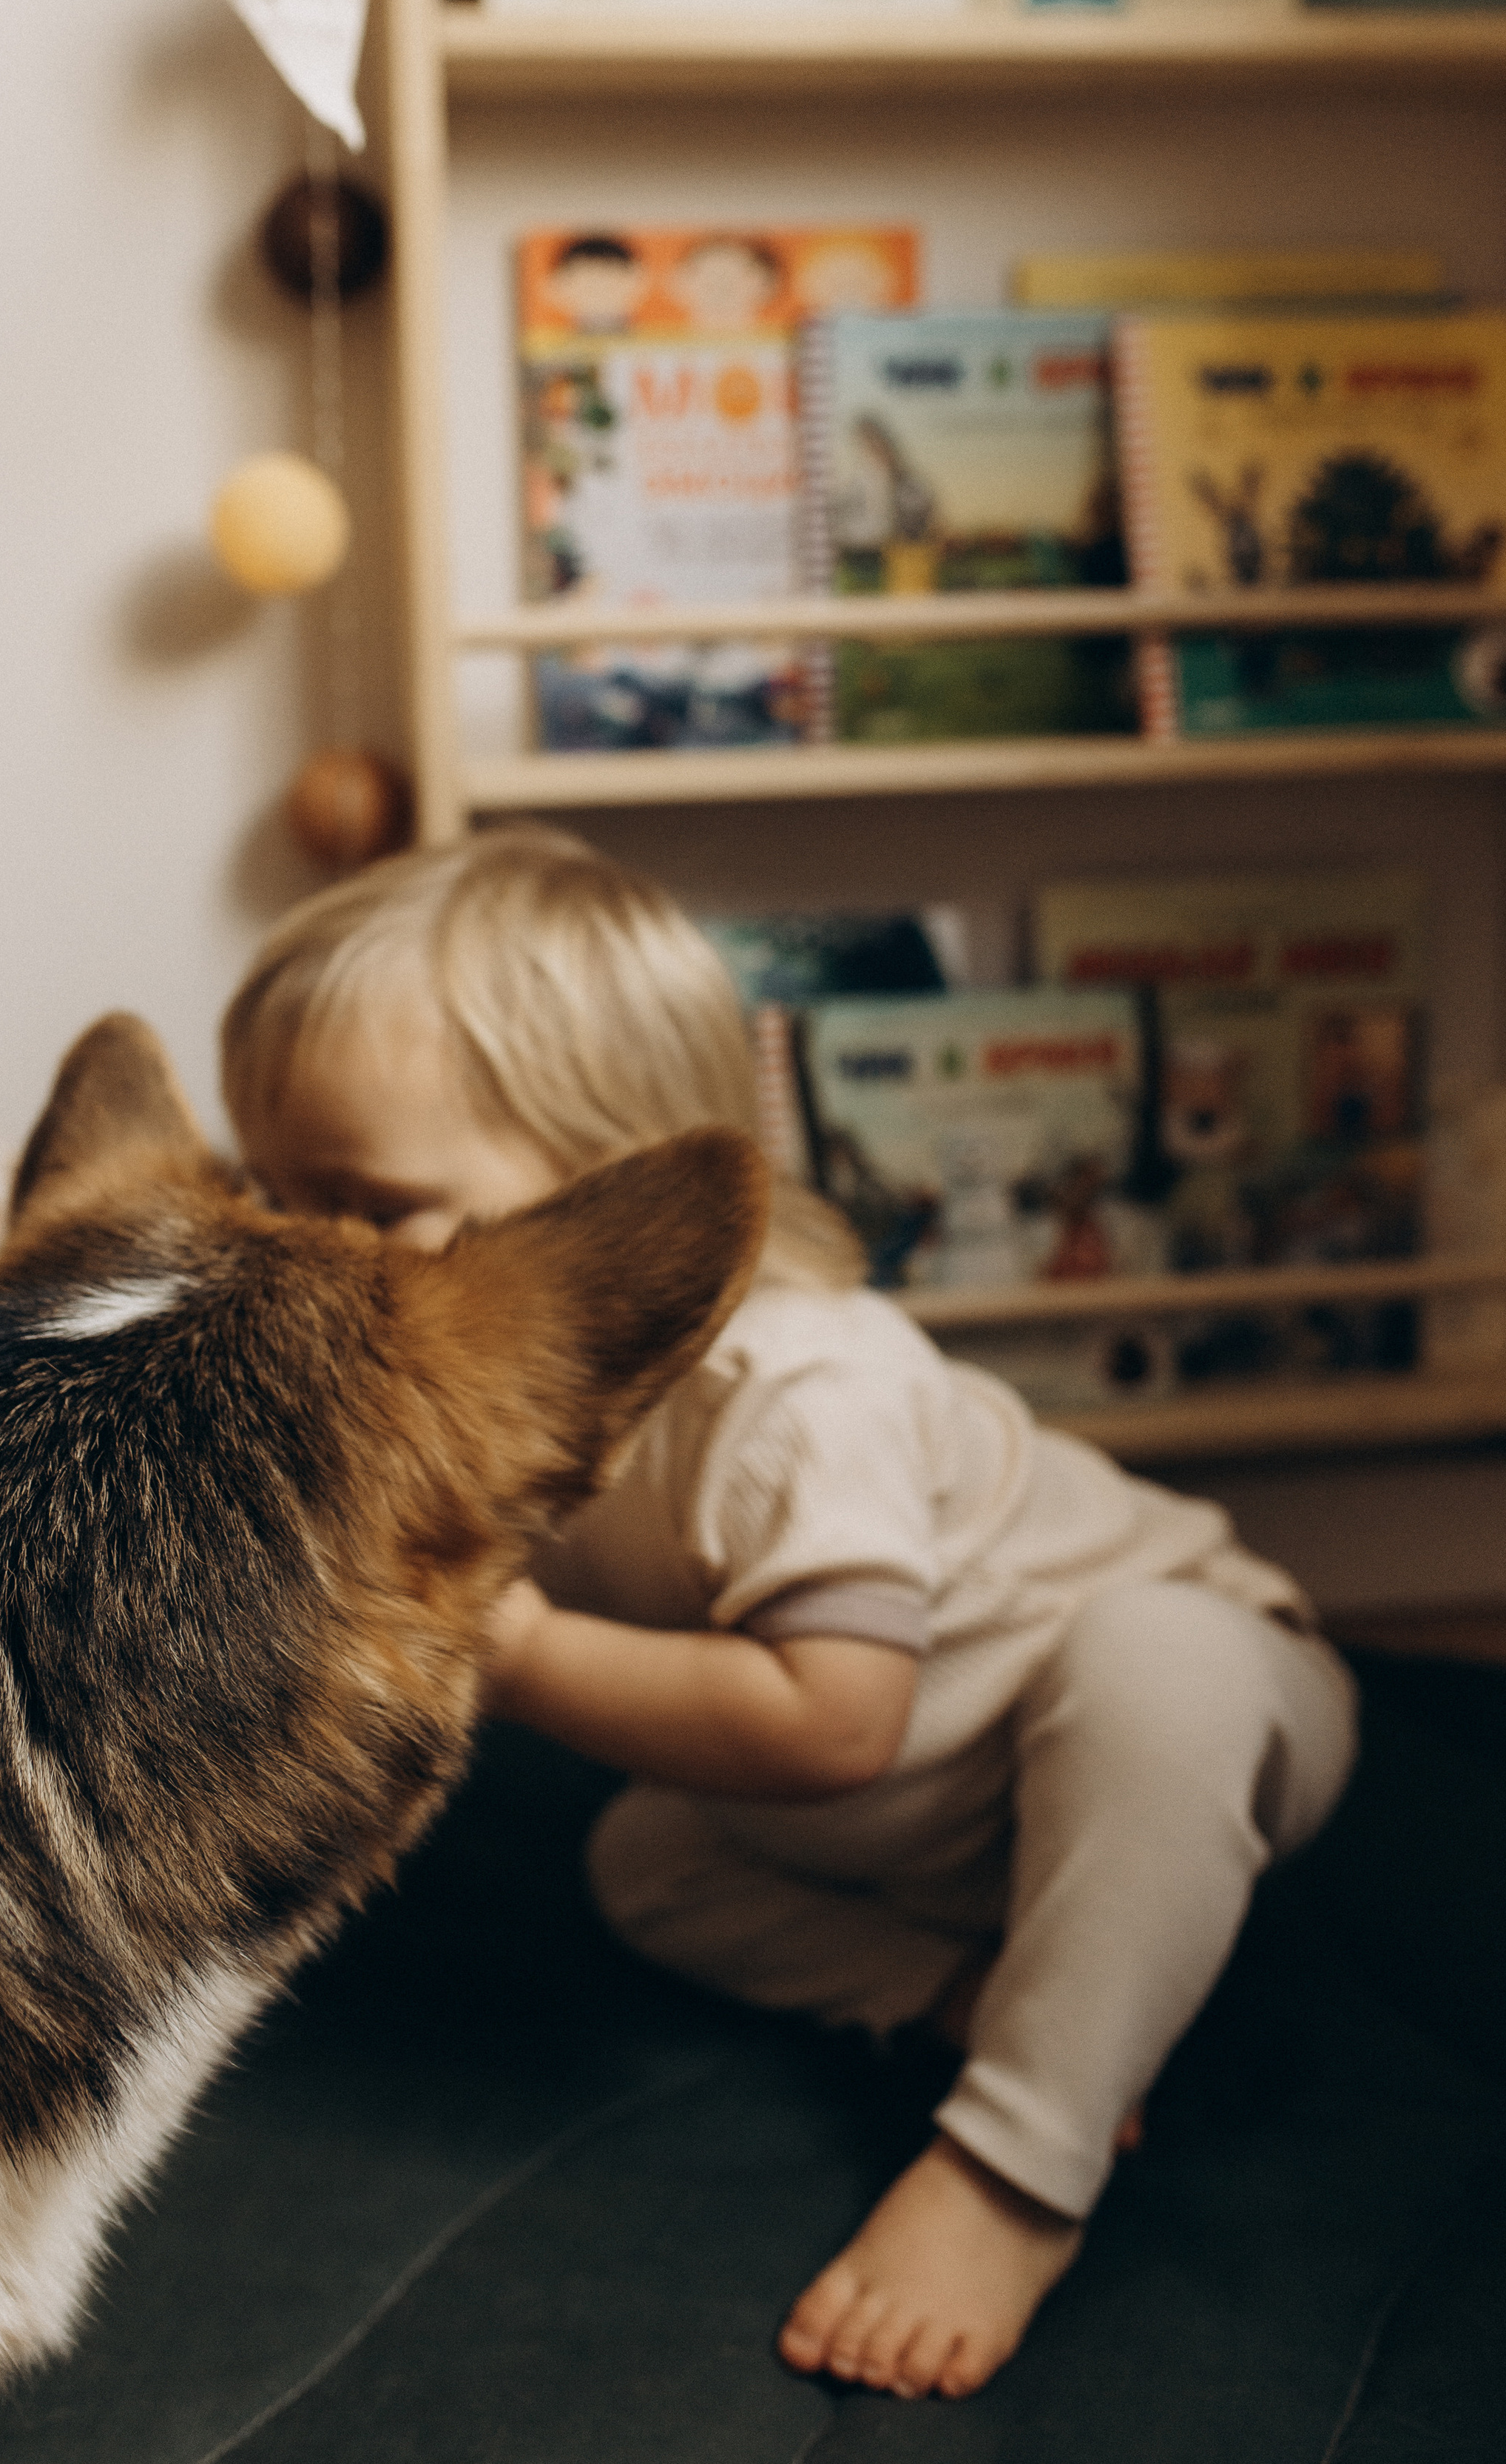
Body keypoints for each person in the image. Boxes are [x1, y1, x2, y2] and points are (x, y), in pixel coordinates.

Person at [220, 826, 1358, 2403]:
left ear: (627, 1198)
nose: (316, 1265)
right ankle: (981, 1990)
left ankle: (1020, 2163)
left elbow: (837, 1721)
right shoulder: (479, 1404)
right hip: (917, 1832)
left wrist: (523, 1652)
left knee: (1155, 1663)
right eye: (277, 1204)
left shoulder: (797, 1388)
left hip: (1165, 1721)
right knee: (643, 1865)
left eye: (375, 1205)